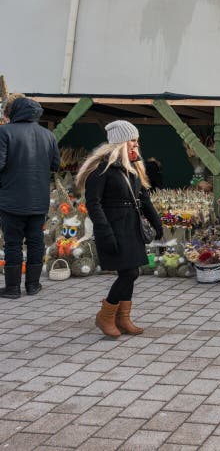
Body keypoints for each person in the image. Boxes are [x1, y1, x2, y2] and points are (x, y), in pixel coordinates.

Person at [75, 121, 163, 337]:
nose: (136, 144)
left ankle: (123, 319)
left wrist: (156, 222)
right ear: (121, 142)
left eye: (137, 140)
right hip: (114, 227)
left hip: (130, 226)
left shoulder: (133, 167)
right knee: (129, 272)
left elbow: (143, 198)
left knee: (132, 272)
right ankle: (105, 316)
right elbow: (93, 204)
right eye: (132, 140)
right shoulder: (102, 169)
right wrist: (105, 233)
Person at [0, 94, 61, 299]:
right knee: (36, 242)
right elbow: (55, 165)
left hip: (12, 199)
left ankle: (12, 288)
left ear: (14, 110)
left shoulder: (4, 132)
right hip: (39, 200)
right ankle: (33, 285)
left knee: (13, 243)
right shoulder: (48, 135)